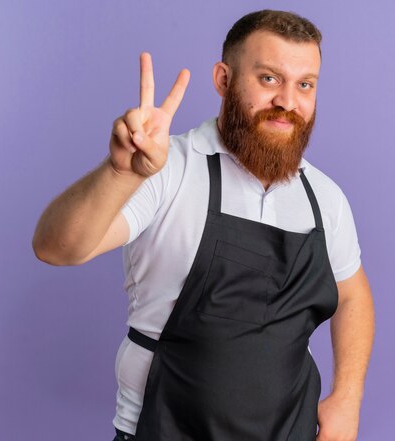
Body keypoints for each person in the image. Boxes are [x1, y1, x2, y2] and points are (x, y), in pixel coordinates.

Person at [32, 9, 375, 441]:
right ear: (223, 80)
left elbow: (354, 295)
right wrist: (120, 174)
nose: (288, 102)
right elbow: (56, 248)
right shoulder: (166, 168)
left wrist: (348, 398)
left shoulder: (324, 197)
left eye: (304, 84)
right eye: (269, 78)